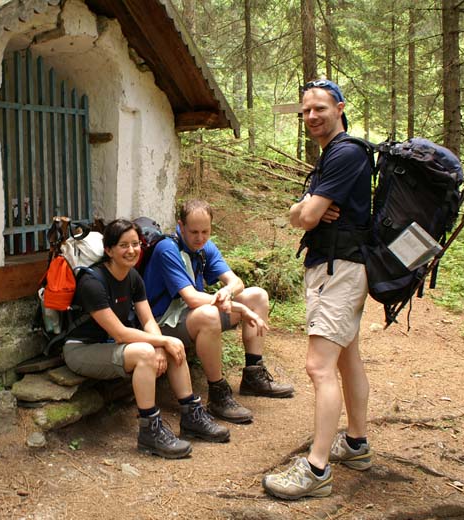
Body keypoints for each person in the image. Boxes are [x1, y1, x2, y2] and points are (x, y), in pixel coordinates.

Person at [262, 79, 373, 500]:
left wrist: (305, 207)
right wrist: (305, 208)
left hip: (338, 270)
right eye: (306, 110)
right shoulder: (335, 156)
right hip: (341, 266)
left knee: (318, 366)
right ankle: (357, 445)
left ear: (340, 108)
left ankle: (317, 469)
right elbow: (305, 212)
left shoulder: (344, 153)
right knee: (346, 357)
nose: (311, 116)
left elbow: (305, 216)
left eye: (320, 109)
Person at [63, 218, 229, 459]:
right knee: (147, 352)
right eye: (123, 245)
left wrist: (162, 345)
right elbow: (119, 332)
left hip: (114, 346)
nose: (131, 251)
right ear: (108, 250)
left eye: (135, 244)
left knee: (173, 345)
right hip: (83, 350)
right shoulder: (92, 282)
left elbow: (149, 320)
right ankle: (149, 431)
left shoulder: (132, 278)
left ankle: (191, 415)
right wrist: (160, 343)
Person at [143, 200, 294, 425]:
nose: (200, 238)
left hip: (191, 315)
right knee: (209, 315)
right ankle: (218, 393)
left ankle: (254, 374)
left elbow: (236, 282)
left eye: (206, 231)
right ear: (180, 226)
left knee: (258, 296)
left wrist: (227, 291)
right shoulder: (168, 249)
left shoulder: (205, 247)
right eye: (194, 231)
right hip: (162, 324)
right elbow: (192, 298)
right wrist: (237, 306)